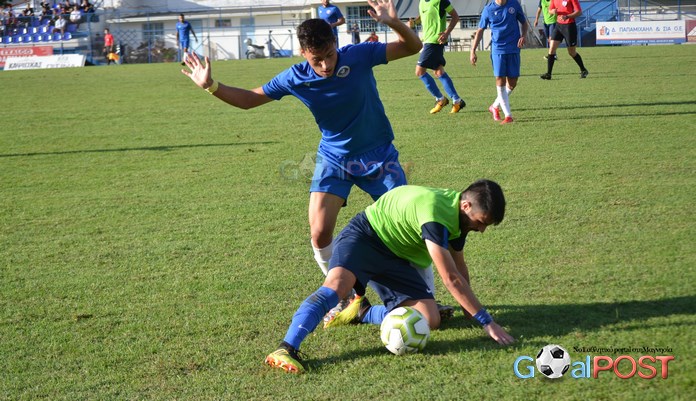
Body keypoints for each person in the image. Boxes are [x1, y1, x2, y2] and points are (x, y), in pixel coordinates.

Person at [181, 1, 455, 325]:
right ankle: (347, 298)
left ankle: (427, 299)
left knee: (409, 226)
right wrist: (211, 86)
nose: (325, 65)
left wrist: (394, 22)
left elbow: (411, 46)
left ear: (335, 44)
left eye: (329, 55)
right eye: (316, 60)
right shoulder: (295, 77)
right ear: (303, 53)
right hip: (334, 159)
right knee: (319, 232)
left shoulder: (359, 55)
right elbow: (250, 99)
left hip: (379, 155)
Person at [264, 180, 516, 373]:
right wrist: (487, 322)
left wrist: (470, 312)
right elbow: (451, 278)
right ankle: (286, 348)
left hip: (394, 255)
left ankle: (362, 313)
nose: (481, 229)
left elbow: (459, 266)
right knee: (336, 287)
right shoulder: (435, 215)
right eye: (481, 222)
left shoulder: (458, 217)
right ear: (466, 205)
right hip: (364, 238)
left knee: (430, 319)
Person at [470, 0, 529, 125]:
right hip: (498, 49)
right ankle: (508, 116)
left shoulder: (514, 4)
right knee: (500, 79)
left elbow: (524, 23)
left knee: (512, 83)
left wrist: (523, 35)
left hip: (513, 48)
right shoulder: (488, 9)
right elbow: (480, 30)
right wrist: (473, 50)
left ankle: (494, 106)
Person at [414, 0, 466, 114]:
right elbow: (423, 16)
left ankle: (440, 99)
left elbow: (455, 17)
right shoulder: (421, 2)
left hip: (435, 41)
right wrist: (414, 22)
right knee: (439, 72)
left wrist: (446, 33)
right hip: (427, 41)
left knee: (419, 71)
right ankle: (457, 101)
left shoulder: (440, 1)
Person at [540, 0, 589, 80]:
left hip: (569, 26)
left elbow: (579, 12)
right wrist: (553, 11)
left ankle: (583, 70)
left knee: (571, 52)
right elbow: (550, 10)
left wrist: (567, 16)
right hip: (558, 26)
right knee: (551, 49)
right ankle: (548, 74)